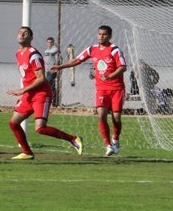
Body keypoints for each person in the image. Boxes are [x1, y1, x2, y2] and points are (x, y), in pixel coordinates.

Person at [7, 26, 83, 160]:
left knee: (40, 128)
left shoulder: (33, 55)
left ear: (31, 37)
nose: (22, 35)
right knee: (13, 123)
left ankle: (73, 139)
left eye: (25, 33)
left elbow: (41, 78)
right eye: (20, 32)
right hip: (29, 95)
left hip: (41, 94)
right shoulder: (18, 53)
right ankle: (27, 152)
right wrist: (25, 92)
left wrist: (22, 90)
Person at [51, 25, 127, 157]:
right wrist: (60, 66)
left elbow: (123, 67)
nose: (101, 36)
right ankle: (108, 145)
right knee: (101, 115)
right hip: (101, 89)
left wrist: (110, 76)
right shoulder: (92, 49)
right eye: (99, 34)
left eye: (104, 34)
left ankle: (115, 139)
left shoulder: (114, 50)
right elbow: (77, 60)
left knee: (116, 118)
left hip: (116, 88)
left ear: (109, 36)